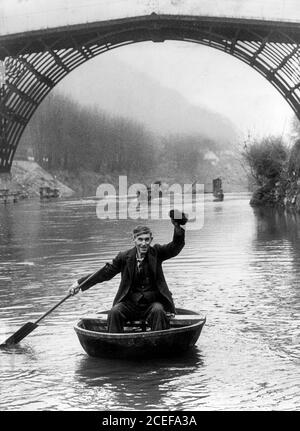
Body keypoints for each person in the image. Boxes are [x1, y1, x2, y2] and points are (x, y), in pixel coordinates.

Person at [69, 211, 187, 332]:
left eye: (147, 240)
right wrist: (79, 284)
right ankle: (114, 344)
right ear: (134, 240)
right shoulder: (124, 257)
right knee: (114, 312)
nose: (144, 243)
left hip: (153, 304)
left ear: (151, 239)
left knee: (158, 311)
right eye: (140, 239)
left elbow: (175, 246)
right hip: (130, 305)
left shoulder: (157, 252)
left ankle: (158, 344)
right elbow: (105, 273)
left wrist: (178, 225)